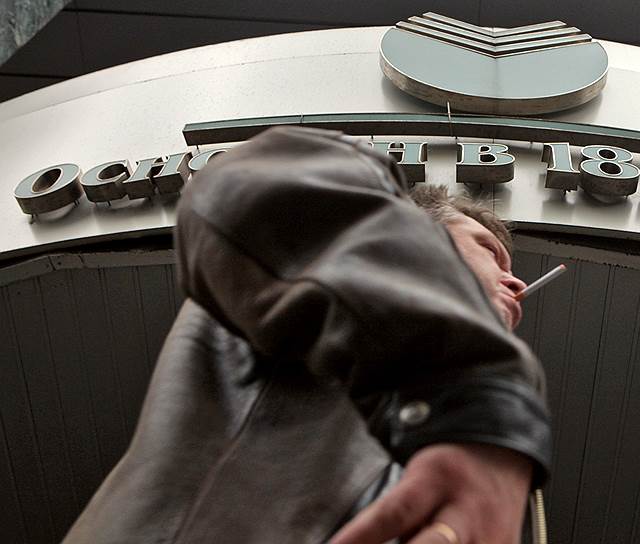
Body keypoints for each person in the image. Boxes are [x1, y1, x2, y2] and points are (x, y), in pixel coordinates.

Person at [63, 127, 551, 544]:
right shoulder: (309, 284)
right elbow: (240, 186)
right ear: (419, 235)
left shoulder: (456, 423)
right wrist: (481, 399)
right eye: (490, 252)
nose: (516, 283)